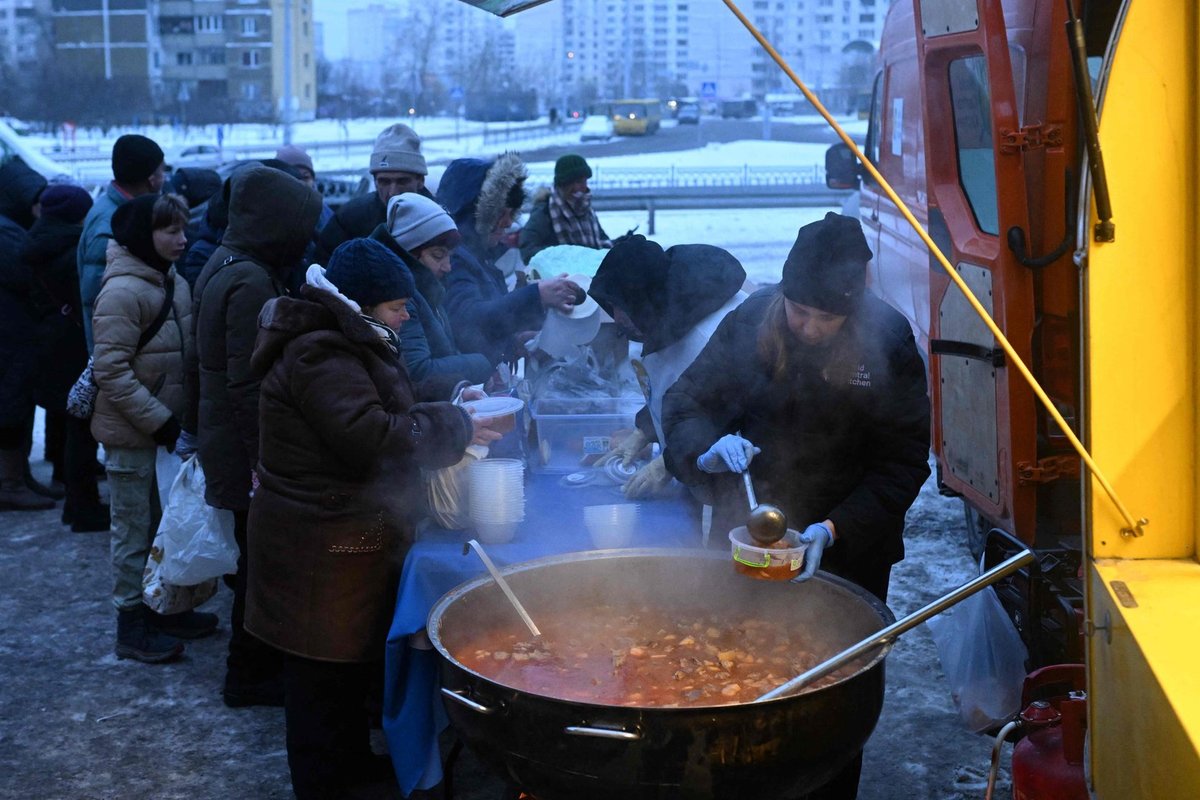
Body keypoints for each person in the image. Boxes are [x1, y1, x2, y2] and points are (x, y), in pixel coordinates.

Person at [661, 212, 930, 800]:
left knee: (828, 704)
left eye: (825, 318)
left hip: (846, 547)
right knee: (734, 677)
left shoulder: (888, 341)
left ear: (852, 309)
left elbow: (904, 463)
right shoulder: (753, 319)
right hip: (746, 534)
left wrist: (831, 531)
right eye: (798, 310)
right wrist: (705, 450)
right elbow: (684, 402)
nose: (807, 327)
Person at [245, 238, 498, 799]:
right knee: (318, 679)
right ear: (359, 303)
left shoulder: (349, 338)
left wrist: (454, 399)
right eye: (396, 307)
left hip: (336, 534)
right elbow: (372, 437)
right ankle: (324, 785)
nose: (407, 315)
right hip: (316, 542)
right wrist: (454, 427)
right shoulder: (321, 352)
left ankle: (351, 768)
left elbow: (387, 401)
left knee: (341, 672)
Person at [188, 163, 324, 707]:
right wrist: (263, 461)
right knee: (260, 567)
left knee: (256, 561)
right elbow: (248, 384)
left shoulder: (227, 262)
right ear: (276, 223)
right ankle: (248, 675)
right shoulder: (247, 279)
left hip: (227, 441)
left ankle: (252, 669)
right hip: (245, 449)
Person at [90, 193, 217, 663]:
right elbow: (112, 372)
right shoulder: (124, 290)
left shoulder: (171, 279)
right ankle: (131, 624)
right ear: (144, 235)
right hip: (132, 437)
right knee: (133, 531)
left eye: (184, 228)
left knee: (167, 524)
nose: (182, 239)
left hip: (166, 432)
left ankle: (163, 609)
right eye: (170, 230)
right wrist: (161, 420)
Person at [588, 235, 748, 499]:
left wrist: (670, 462)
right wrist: (645, 430)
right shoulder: (665, 313)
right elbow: (675, 389)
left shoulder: (708, 337)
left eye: (620, 306)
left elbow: (726, 417)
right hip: (690, 464)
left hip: (727, 482)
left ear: (642, 299)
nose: (616, 317)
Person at [436, 154, 581, 365]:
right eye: (503, 213)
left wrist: (514, 341)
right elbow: (468, 321)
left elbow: (489, 324)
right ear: (476, 213)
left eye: (513, 213)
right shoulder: (454, 259)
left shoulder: (478, 255)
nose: (508, 222)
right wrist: (536, 296)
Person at [24, 183, 111, 530]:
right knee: (82, 427)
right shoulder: (69, 247)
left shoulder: (36, 240)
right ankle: (83, 506)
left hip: (50, 340)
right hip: (70, 341)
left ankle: (76, 499)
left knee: (69, 420)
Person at [370, 192, 493, 384]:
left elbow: (445, 350)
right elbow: (419, 370)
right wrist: (483, 364)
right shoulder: (401, 300)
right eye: (438, 255)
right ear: (410, 253)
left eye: (449, 256)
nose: (448, 266)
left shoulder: (425, 288)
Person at [78, 134, 166, 353]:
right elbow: (97, 306)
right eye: (161, 171)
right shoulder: (110, 225)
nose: (164, 178)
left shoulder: (125, 214)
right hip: (122, 363)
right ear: (150, 178)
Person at [0, 157, 52, 511]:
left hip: (16, 330)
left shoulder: (12, 226)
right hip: (9, 333)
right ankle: (10, 483)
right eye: (35, 200)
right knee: (11, 406)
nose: (40, 208)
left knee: (18, 404)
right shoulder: (6, 232)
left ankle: (19, 477)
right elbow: (24, 274)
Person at [314, 123, 427, 264]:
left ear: (420, 180)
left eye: (402, 181)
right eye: (384, 182)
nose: (393, 192)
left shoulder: (441, 220)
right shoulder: (349, 220)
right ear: (374, 181)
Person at [519, 153, 611, 263]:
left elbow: (601, 241)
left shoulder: (586, 208)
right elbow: (527, 250)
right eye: (578, 182)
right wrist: (563, 256)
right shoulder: (545, 211)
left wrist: (619, 244)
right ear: (564, 183)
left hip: (591, 275)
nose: (583, 187)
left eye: (585, 181)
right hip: (562, 278)